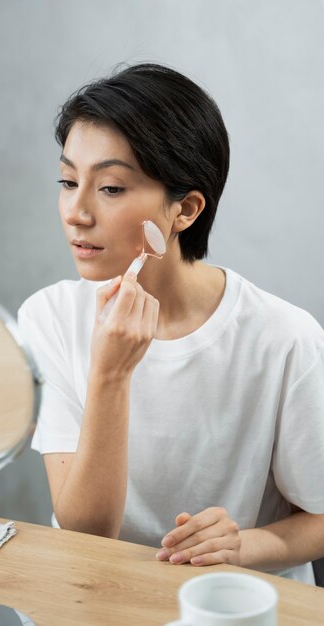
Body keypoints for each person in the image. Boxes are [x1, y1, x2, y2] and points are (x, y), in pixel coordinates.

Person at [18, 63, 324, 584]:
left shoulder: (284, 338)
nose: (75, 211)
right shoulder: (49, 318)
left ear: (185, 210)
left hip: (237, 607)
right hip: (100, 599)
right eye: (69, 181)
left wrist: (240, 546)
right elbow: (86, 533)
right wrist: (110, 374)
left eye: (110, 188)